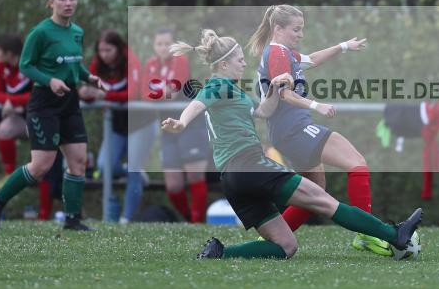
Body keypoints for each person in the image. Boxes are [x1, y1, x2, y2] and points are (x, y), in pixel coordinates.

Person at [160, 29, 423, 260]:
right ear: (224, 64)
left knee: (286, 246)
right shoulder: (217, 85)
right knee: (323, 200)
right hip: (250, 165)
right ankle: (395, 234)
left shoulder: (235, 92)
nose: (244, 63)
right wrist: (181, 124)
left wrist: (274, 89)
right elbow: (196, 104)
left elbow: (263, 112)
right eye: (239, 60)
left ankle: (220, 254)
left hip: (232, 178)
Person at [246, 4, 389, 256]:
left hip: (287, 131)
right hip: (295, 128)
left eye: (302, 29)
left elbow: (311, 60)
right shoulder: (277, 53)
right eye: (296, 29)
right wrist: (316, 105)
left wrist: (343, 46)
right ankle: (367, 233)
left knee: (314, 191)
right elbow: (284, 93)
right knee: (356, 164)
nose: (300, 34)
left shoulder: (284, 52)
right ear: (278, 29)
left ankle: (266, 242)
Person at [0, 0, 108, 231]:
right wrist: (49, 80)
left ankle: (72, 219)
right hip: (44, 104)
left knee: (79, 161)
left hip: (69, 101)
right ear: (50, 2)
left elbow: (73, 63)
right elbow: (25, 65)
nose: (68, 3)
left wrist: (88, 77)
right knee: (41, 166)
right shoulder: (40, 32)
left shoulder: (77, 32)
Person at [78, 29, 151, 224]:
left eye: (108, 50)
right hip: (117, 124)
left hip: (141, 122)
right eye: (101, 50)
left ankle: (125, 220)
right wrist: (85, 93)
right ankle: (132, 176)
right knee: (104, 165)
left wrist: (105, 96)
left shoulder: (131, 60)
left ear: (118, 49)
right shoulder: (98, 64)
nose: (104, 54)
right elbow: (91, 89)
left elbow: (134, 93)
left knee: (134, 169)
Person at [0, 33, 63, 220]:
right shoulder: (0, 66)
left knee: (45, 165)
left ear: (10, 52)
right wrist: (9, 101)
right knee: (5, 129)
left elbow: (37, 93)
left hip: (40, 118)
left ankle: (45, 213)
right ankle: (9, 174)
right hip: (21, 119)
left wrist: (12, 101)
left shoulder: (33, 64)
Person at [143, 28, 211, 223]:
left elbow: (173, 90)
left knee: (195, 176)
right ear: (154, 46)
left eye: (168, 44)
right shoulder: (151, 64)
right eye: (160, 44)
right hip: (168, 127)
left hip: (192, 124)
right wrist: (158, 92)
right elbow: (143, 93)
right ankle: (191, 220)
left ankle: (198, 223)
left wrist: (157, 92)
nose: (164, 48)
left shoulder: (181, 60)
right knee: (173, 185)